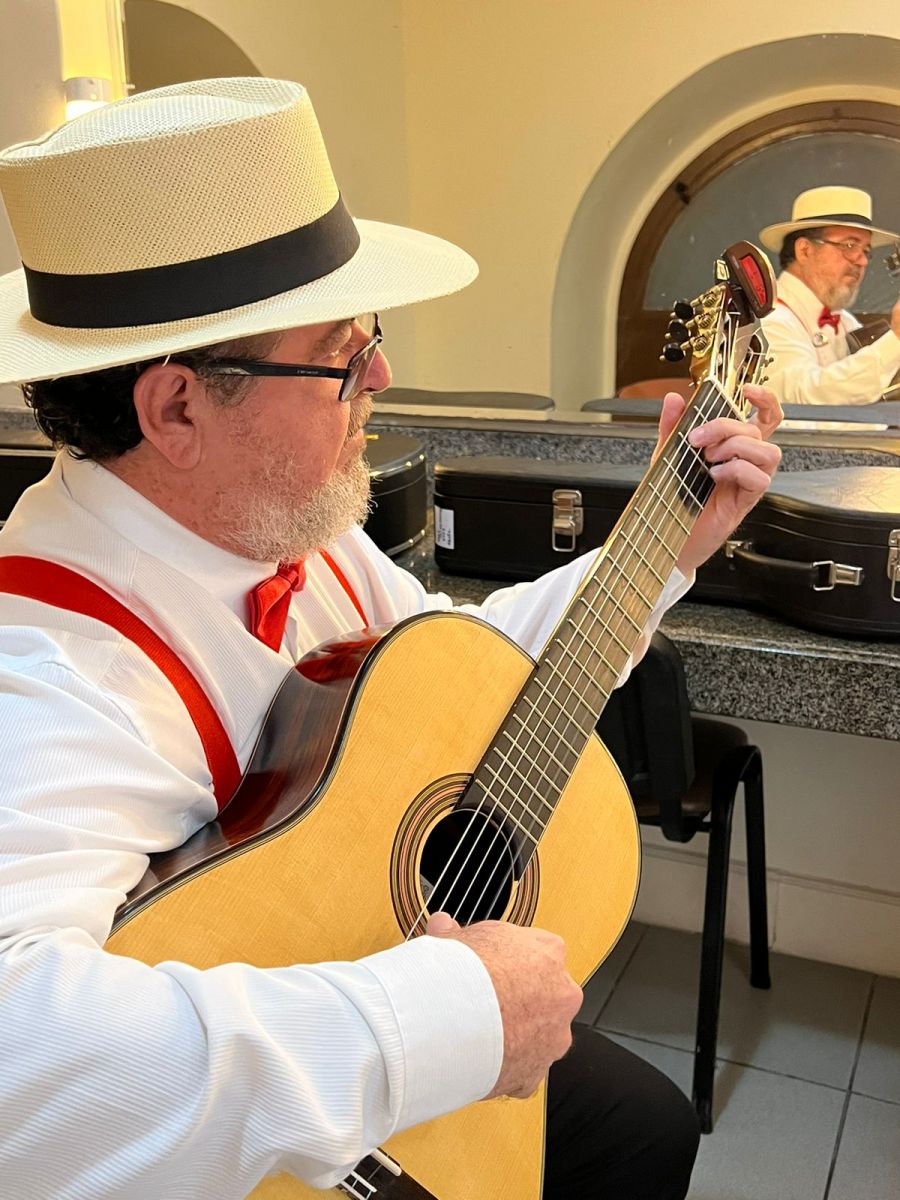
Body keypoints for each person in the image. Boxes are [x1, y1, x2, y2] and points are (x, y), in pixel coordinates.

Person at [0, 78, 782, 1199]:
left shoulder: (285, 524)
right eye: (340, 352)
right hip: (253, 1132)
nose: (381, 376)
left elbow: (462, 681)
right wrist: (440, 1019)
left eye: (373, 336)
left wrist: (656, 552)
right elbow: (20, 1072)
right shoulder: (40, 670)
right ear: (176, 410)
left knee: (651, 1131)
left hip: (365, 972)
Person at [758, 185, 900, 406]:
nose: (861, 261)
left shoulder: (845, 321)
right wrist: (896, 340)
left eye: (866, 251)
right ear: (805, 250)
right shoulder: (768, 320)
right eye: (850, 245)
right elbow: (802, 399)